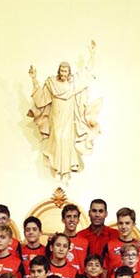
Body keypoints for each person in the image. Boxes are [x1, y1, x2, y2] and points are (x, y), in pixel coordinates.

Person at [28, 42, 101, 178]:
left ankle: (67, 169)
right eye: (61, 70)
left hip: (68, 119)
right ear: (58, 71)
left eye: (66, 71)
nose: (63, 73)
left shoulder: (74, 84)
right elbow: (40, 99)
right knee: (57, 138)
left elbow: (87, 74)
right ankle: (57, 168)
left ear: (69, 73)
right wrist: (34, 79)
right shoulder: (52, 83)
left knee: (66, 139)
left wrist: (92, 54)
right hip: (56, 118)